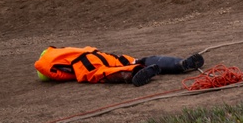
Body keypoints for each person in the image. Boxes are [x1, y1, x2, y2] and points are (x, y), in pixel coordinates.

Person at [35, 46, 205, 87]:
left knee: (102, 73)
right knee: (135, 59)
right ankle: (179, 64)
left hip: (84, 64)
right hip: (99, 54)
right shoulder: (59, 51)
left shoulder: (45, 63)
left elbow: (48, 73)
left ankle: (134, 74)